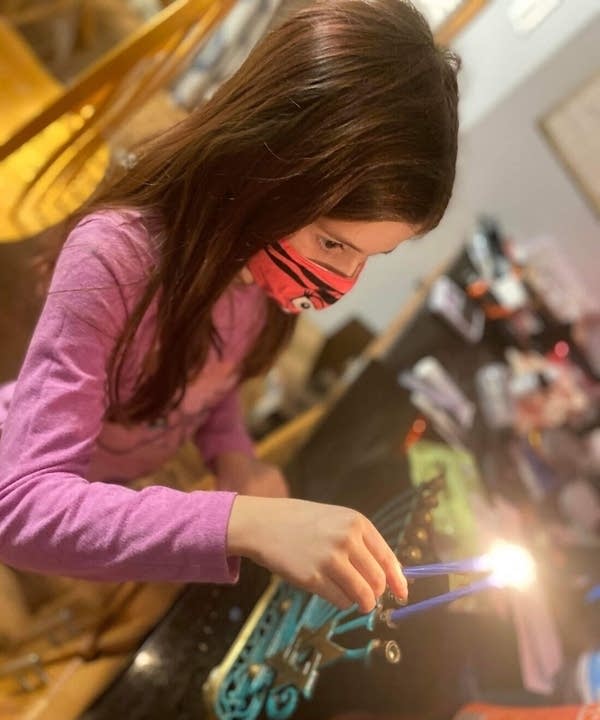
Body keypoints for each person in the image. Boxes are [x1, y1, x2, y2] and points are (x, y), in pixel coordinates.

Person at [0, 0, 459, 614]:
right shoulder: (117, 255)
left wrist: (235, 456)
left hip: (105, 501)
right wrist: (245, 523)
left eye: (368, 258)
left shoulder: (260, 281)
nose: (339, 283)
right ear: (262, 167)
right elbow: (24, 503)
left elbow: (208, 390)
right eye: (332, 244)